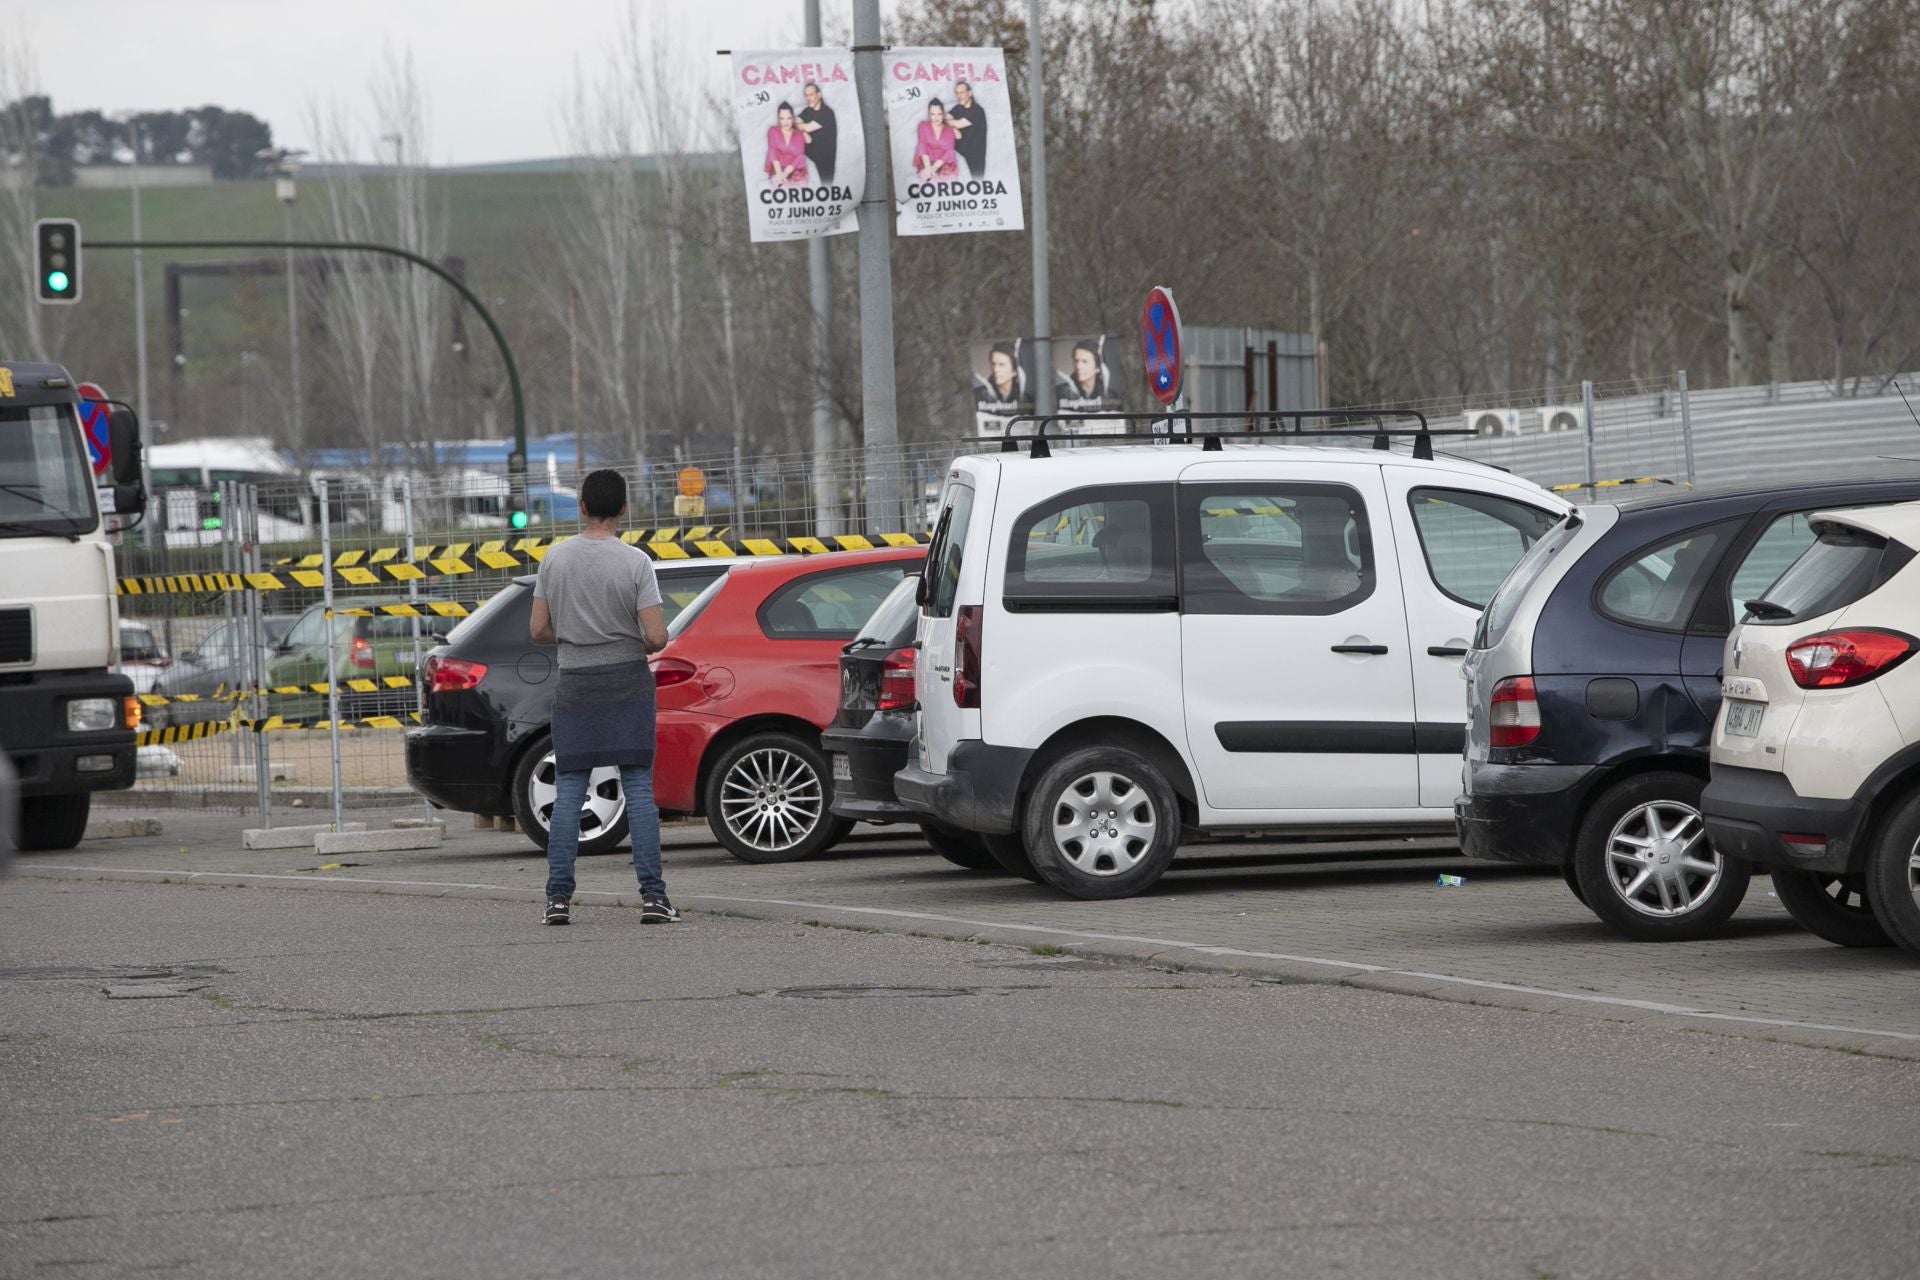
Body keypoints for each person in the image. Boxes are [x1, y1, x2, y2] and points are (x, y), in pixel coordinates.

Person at [528, 469, 678, 926]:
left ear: (582, 506)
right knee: (639, 790)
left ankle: (557, 899)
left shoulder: (554, 559)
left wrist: (574, 637)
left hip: (576, 684)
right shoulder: (636, 562)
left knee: (570, 790)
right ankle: (654, 897)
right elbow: (657, 637)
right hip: (627, 683)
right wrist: (634, 639)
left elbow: (537, 629)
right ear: (623, 509)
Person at [796, 81, 837, 184]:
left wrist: (803, 130)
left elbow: (808, 128)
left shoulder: (827, 112)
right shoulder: (808, 111)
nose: (808, 98)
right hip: (811, 150)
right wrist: (803, 132)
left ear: (819, 95)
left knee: (827, 184)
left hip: (825, 157)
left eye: (811, 95)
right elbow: (794, 123)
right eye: (806, 95)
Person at [972, 341, 1028, 412]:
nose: (995, 369)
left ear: (1014, 371)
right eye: (993, 364)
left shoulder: (1025, 398)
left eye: (1001, 365)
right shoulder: (978, 395)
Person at [948, 80, 987, 178]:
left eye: (962, 92)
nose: (959, 96)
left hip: (975, 157)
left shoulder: (977, 110)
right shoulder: (957, 108)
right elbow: (943, 118)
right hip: (960, 153)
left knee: (977, 181)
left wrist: (952, 125)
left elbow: (959, 124)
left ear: (969, 93)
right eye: (957, 93)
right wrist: (952, 127)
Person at [763, 102, 809, 187]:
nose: (785, 122)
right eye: (782, 118)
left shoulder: (799, 135)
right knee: (779, 187)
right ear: (778, 119)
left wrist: (785, 173)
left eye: (788, 118)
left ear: (793, 118)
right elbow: (772, 151)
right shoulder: (773, 131)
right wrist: (780, 174)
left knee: (800, 190)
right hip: (777, 170)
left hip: (795, 171)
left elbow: (799, 156)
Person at [914, 99, 959, 182]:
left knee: (950, 184)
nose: (936, 117)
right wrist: (929, 169)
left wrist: (934, 168)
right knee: (928, 182)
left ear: (943, 114)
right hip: (927, 163)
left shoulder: (949, 130)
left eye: (939, 114)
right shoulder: (923, 126)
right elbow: (922, 146)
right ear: (929, 114)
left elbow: (949, 151)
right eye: (933, 114)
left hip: (944, 164)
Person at [1058, 339, 1110, 407]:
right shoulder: (1060, 393)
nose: (1078, 366)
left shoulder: (1109, 395)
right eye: (1076, 361)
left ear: (1098, 368)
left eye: (1085, 361)